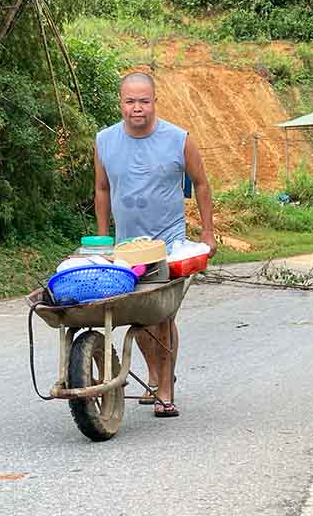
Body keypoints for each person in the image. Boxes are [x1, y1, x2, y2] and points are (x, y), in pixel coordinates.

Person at [94, 71, 216, 418]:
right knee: (139, 318)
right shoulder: (104, 141)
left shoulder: (178, 139)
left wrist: (207, 234)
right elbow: (102, 190)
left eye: (143, 101)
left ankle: (165, 388)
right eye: (130, 101)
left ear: (154, 102)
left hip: (169, 246)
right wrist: (103, 240)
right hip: (126, 250)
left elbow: (202, 184)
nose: (137, 108)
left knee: (161, 315)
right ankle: (155, 375)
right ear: (121, 103)